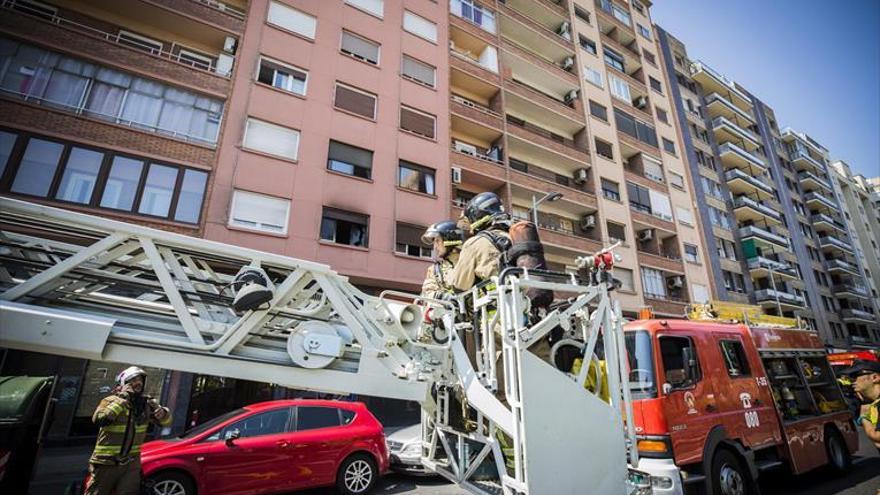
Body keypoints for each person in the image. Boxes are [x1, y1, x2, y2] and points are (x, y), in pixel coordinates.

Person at [84, 366, 172, 495]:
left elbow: (166, 423)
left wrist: (163, 412)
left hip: (131, 464)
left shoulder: (145, 404)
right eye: (133, 380)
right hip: (106, 462)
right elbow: (99, 419)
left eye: (140, 380)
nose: (138, 383)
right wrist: (121, 400)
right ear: (124, 383)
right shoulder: (110, 400)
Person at [450, 192, 511, 293]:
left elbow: (460, 286)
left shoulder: (473, 244)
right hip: (527, 305)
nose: (469, 229)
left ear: (476, 216)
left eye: (469, 221)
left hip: (498, 306)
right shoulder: (516, 237)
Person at [420, 220, 465, 299]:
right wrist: (444, 297)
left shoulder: (470, 261)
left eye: (438, 241)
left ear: (449, 240)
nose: (435, 247)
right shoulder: (434, 270)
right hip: (448, 310)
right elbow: (428, 293)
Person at [844, 360, 880, 451]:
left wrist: (864, 417)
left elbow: (877, 437)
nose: (851, 380)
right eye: (850, 376)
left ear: (875, 377)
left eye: (855, 375)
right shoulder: (872, 403)